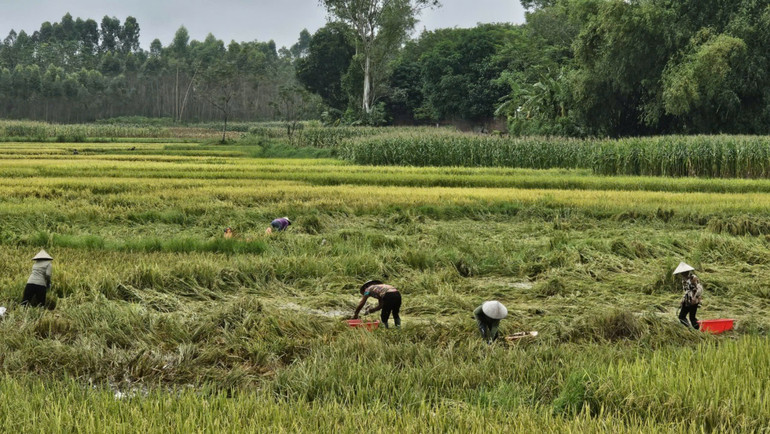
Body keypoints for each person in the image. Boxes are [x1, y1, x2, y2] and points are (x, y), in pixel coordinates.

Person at [674, 262, 703, 329]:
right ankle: (690, 329)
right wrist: (683, 299)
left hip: (694, 299)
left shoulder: (693, 278)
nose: (682, 274)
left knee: (692, 318)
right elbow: (685, 290)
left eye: (683, 272)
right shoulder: (683, 280)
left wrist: (694, 298)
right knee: (681, 316)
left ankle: (699, 329)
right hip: (687, 299)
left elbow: (698, 288)